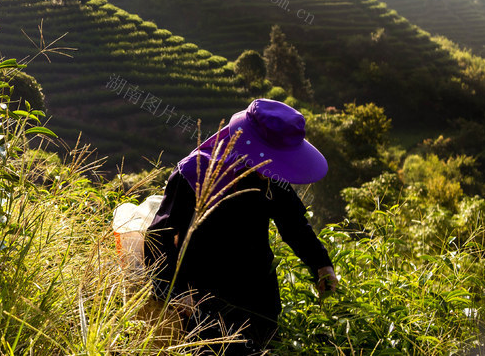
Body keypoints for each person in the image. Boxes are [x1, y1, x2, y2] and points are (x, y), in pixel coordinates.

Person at [143, 98, 338, 355]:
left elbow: (294, 225)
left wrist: (321, 264)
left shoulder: (271, 176)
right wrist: (172, 293)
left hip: (259, 299)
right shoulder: (195, 173)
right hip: (203, 300)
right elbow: (160, 237)